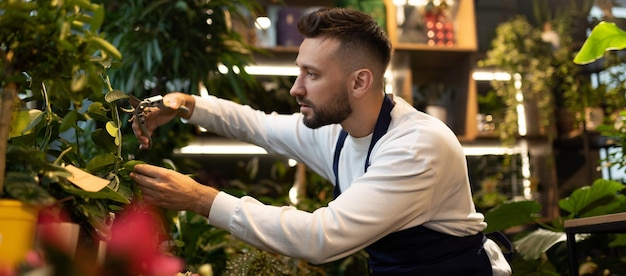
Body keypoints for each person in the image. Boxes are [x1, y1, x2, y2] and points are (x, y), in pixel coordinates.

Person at [130, 7, 512, 275]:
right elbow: (259, 126)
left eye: (311, 75)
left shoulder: (417, 147)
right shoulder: (339, 132)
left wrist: (199, 198)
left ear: (359, 81)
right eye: (299, 71)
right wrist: (186, 105)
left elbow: (320, 238)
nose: (296, 88)